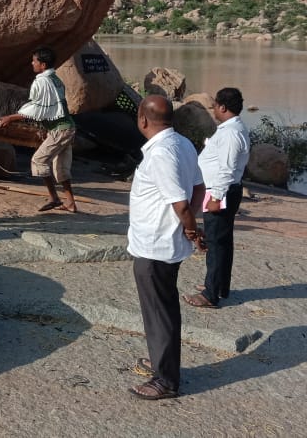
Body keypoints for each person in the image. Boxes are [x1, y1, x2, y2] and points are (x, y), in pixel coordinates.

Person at [126, 95, 206, 400]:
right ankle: (162, 363)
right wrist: (190, 223)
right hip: (163, 243)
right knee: (162, 308)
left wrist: (190, 227)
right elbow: (199, 187)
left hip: (156, 246)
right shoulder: (183, 144)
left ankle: (166, 380)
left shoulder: (161, 153)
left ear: (143, 120)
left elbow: (182, 202)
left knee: (159, 312)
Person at [182, 88, 250, 309]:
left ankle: (211, 294)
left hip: (221, 191)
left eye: (214, 107)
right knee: (222, 241)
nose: (213, 111)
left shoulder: (231, 133)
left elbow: (227, 168)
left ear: (222, 107)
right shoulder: (231, 129)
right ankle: (219, 285)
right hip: (221, 190)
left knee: (215, 242)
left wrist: (216, 196)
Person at [0, 46, 77, 213]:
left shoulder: (42, 81)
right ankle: (70, 203)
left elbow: (37, 108)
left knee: (39, 160)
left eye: (34, 61)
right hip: (67, 127)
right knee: (61, 167)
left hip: (60, 130)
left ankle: (54, 198)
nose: (32, 63)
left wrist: (11, 117)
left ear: (42, 64)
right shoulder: (56, 79)